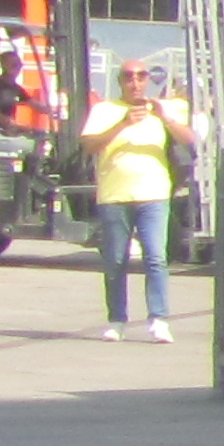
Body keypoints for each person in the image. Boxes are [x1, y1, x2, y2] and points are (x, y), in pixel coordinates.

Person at [82, 58, 195, 343]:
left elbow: (189, 139)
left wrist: (165, 117)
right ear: (120, 81)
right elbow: (89, 145)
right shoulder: (105, 110)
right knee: (116, 260)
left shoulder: (161, 110)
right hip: (115, 195)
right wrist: (122, 124)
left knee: (155, 257)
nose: (135, 82)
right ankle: (117, 320)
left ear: (147, 81)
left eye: (141, 76)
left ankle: (158, 319)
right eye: (129, 77)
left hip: (153, 193)